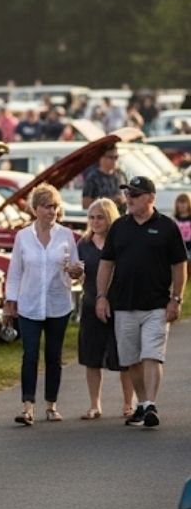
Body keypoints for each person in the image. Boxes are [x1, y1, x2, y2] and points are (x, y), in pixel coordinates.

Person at [96, 176, 188, 427]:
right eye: (127, 194)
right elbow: (106, 264)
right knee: (131, 360)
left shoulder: (167, 227)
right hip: (123, 305)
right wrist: (101, 296)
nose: (129, 199)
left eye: (135, 195)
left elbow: (179, 265)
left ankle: (150, 404)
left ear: (150, 198)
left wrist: (176, 299)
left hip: (156, 305)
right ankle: (143, 403)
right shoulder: (119, 227)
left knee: (152, 354)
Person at [3, 183, 83, 426]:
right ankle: (27, 407)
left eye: (55, 206)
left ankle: (51, 405)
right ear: (35, 209)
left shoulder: (66, 235)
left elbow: (77, 269)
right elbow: (15, 271)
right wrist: (11, 300)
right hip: (29, 304)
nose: (52, 211)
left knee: (53, 355)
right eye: (47, 206)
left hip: (58, 303)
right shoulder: (23, 237)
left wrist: (76, 271)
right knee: (30, 355)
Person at [76, 198, 135, 419]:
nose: (95, 221)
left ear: (110, 218)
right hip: (91, 304)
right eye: (91, 217)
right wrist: (75, 272)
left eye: (100, 217)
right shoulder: (83, 244)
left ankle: (129, 403)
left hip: (119, 305)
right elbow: (80, 272)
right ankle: (95, 405)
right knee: (91, 358)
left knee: (124, 357)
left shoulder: (120, 241)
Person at [174, 192, 191, 257]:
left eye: (185, 202)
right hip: (178, 248)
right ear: (177, 204)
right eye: (180, 202)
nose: (182, 205)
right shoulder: (173, 219)